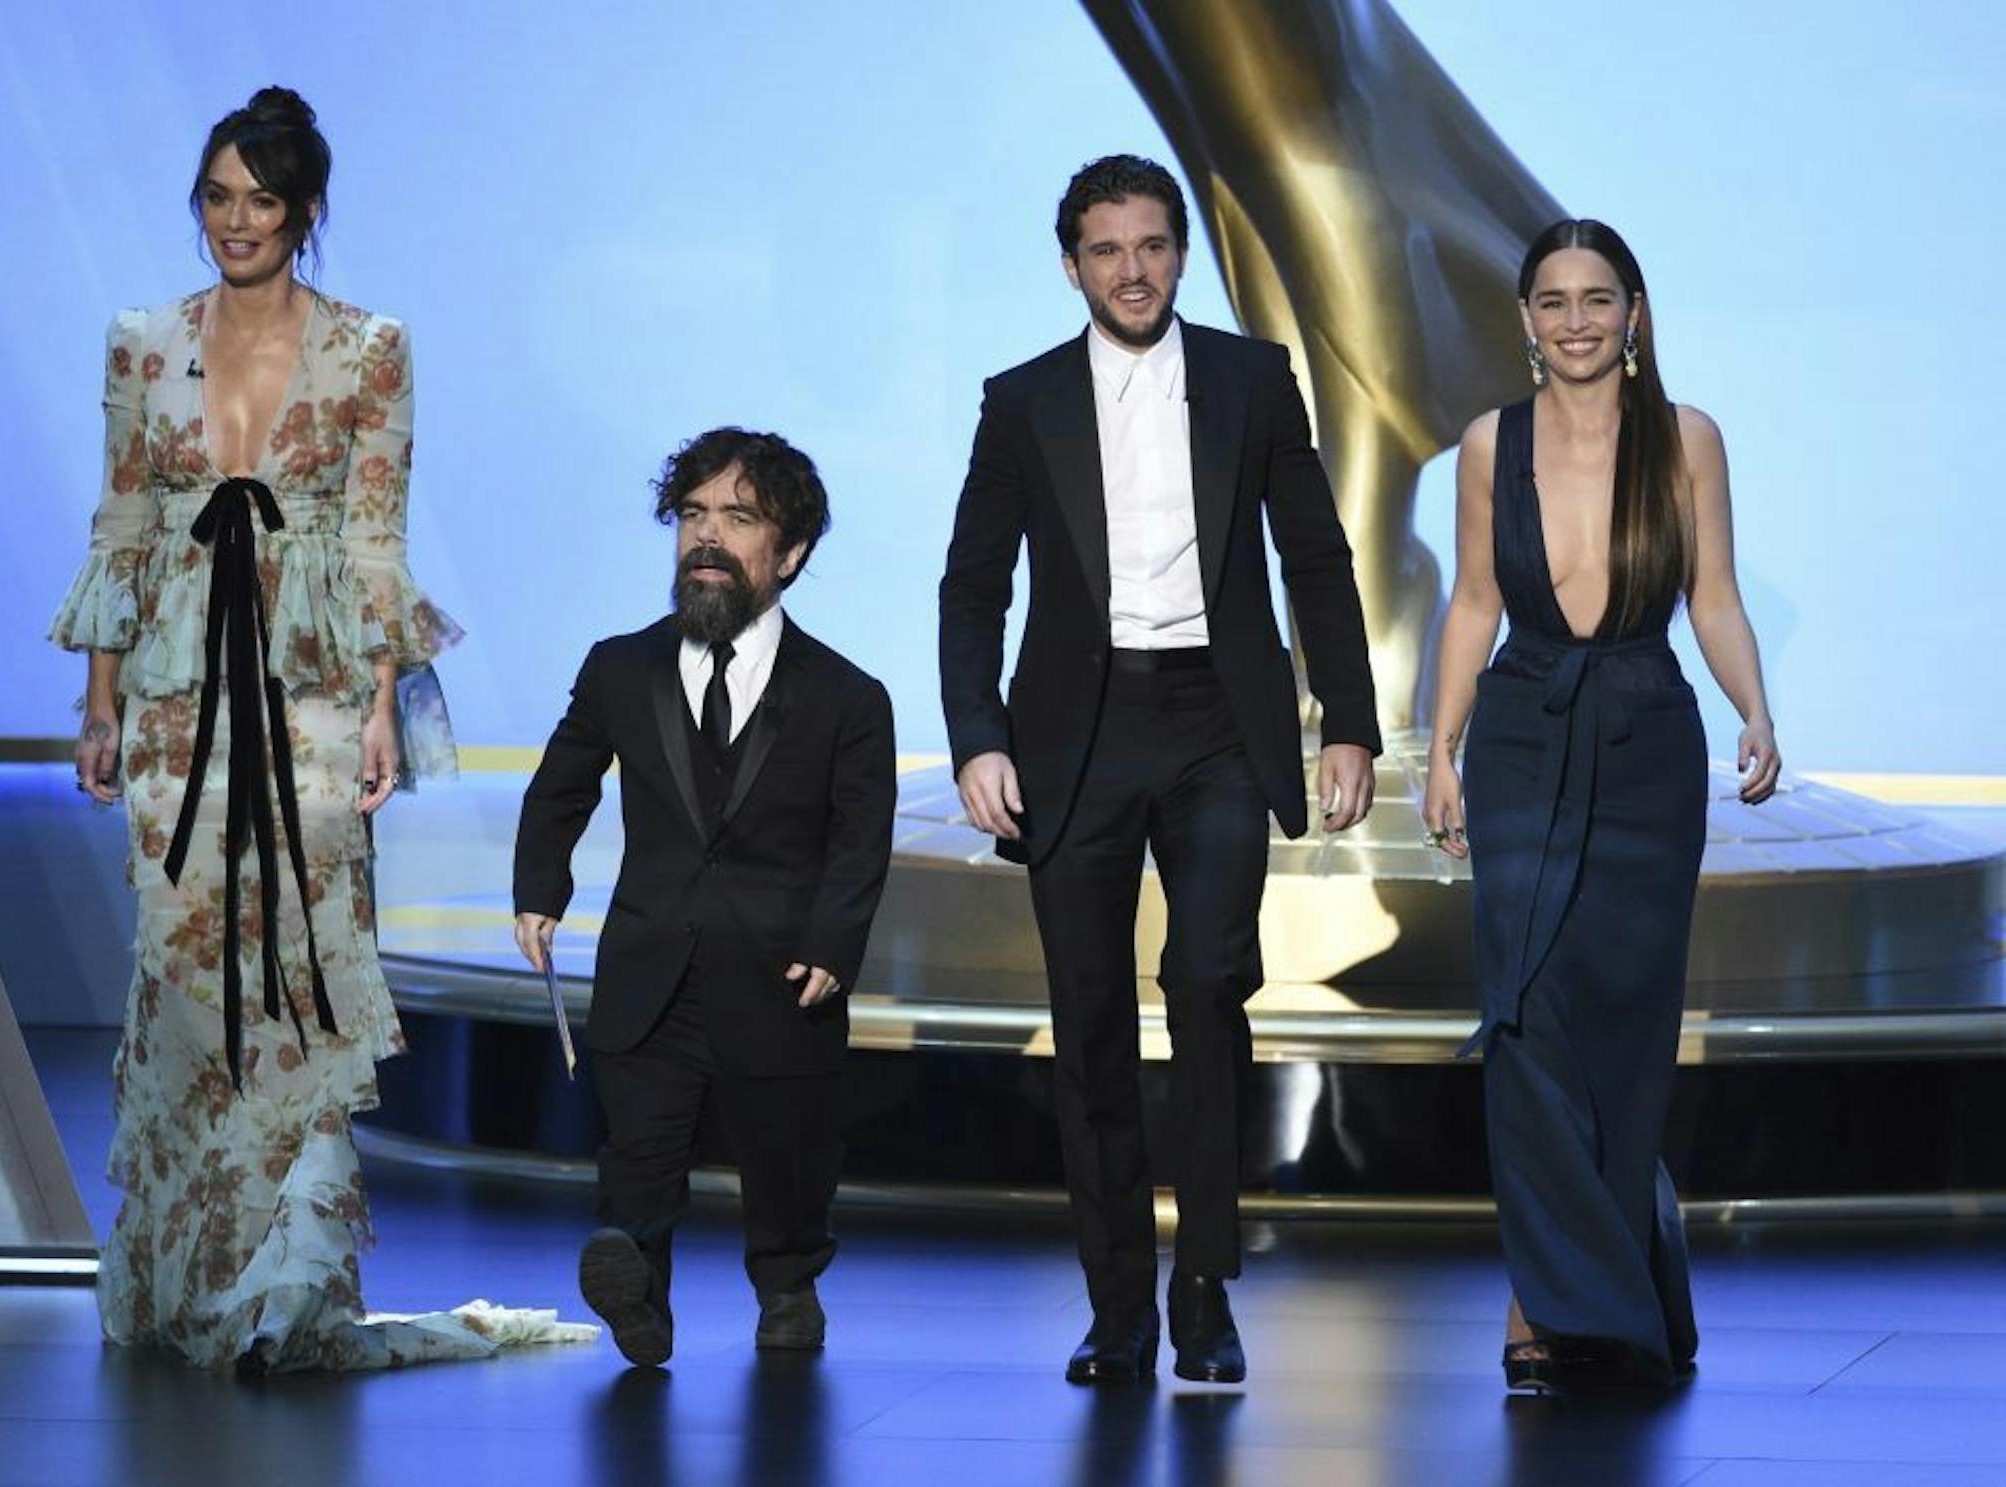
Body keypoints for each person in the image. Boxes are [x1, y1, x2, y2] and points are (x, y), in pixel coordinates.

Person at [51, 86, 592, 1372]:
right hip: (180, 697)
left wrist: (387, 707)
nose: (236, 221)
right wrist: (98, 701)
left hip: (309, 693)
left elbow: (375, 538)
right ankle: (191, 1275)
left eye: (262, 200)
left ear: (304, 212)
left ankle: (288, 1287)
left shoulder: (370, 348)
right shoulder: (140, 342)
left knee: (301, 968)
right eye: (218, 197)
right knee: (185, 974)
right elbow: (125, 524)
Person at [938, 155, 1381, 1385]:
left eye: (1152, 245)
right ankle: (1118, 1302)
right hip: (1072, 730)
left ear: (1181, 253)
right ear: (1072, 263)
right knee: (1087, 1025)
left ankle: (1206, 1289)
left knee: (1204, 984)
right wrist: (978, 734)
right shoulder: (1021, 399)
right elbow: (974, 586)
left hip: (1218, 725)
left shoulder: (1253, 376)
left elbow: (1317, 553)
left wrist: (1348, 715)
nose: (1132, 270)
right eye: (1106, 250)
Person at [1420, 219, 1781, 1393]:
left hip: (1644, 737)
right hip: (1523, 733)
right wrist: (1442, 747)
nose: (1576, 320)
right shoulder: (1489, 442)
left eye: (1597, 298)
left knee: (1624, 1038)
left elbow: (1713, 595)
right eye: (1554, 300)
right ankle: (1542, 1300)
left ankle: (1615, 1294)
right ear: (1525, 320)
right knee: (1523, 1016)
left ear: (1635, 313)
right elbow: (1473, 599)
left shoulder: (1686, 439)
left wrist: (1757, 710)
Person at [513, 429, 896, 1369]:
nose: (707, 537)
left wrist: (835, 940)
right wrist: (539, 891)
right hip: (651, 962)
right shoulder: (619, 666)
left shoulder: (849, 697)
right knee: (638, 1153)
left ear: (791, 553)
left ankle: (787, 1288)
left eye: (739, 516)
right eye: (692, 515)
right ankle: (637, 1287)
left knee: (787, 1156)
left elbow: (859, 837)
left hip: (781, 972)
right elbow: (562, 783)